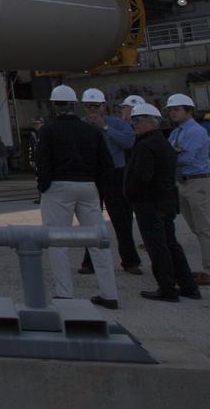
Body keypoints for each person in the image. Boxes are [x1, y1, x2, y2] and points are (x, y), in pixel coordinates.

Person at [36, 85, 118, 309]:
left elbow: (42, 162)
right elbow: (106, 165)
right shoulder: (91, 131)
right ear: (74, 105)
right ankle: (109, 294)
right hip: (88, 186)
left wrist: (44, 187)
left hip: (58, 186)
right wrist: (97, 189)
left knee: (56, 242)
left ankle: (65, 294)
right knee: (98, 241)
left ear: (54, 105)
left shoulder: (47, 131)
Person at [125, 102, 201, 302]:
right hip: (165, 202)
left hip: (149, 204)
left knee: (157, 246)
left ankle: (167, 288)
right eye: (133, 120)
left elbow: (142, 177)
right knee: (171, 244)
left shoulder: (145, 145)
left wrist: (130, 193)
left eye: (138, 120)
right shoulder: (163, 143)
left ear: (151, 123)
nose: (134, 124)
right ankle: (188, 286)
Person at [78, 88, 142, 277]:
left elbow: (128, 142)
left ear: (104, 106)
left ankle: (130, 260)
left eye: (95, 106)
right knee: (90, 221)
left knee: (122, 219)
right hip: (92, 176)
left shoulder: (118, 124)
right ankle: (90, 262)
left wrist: (105, 127)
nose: (91, 110)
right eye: (88, 106)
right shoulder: (81, 126)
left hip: (115, 175)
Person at [167, 93, 210, 286]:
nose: (172, 113)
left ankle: (209, 270)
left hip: (197, 182)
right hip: (183, 182)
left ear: (188, 110)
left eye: (176, 110)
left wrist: (173, 155)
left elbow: (186, 158)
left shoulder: (195, 132)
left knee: (205, 228)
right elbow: (171, 154)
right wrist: (174, 153)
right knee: (196, 227)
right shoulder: (177, 132)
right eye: (171, 110)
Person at [29, 117, 45, 204]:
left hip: (46, 160)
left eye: (37, 123)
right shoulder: (33, 134)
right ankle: (41, 197)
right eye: (34, 124)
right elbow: (31, 148)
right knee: (38, 179)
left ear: (42, 123)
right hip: (38, 160)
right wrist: (31, 159)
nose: (35, 125)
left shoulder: (47, 132)